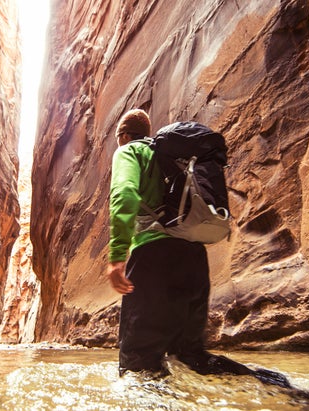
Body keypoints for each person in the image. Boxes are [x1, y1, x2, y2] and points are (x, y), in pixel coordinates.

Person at [107, 108, 256, 378]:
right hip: (194, 258)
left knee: (138, 364)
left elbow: (124, 195)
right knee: (190, 359)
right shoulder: (173, 158)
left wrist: (117, 256)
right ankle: (286, 389)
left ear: (124, 135)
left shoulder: (129, 152)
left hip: (153, 259)